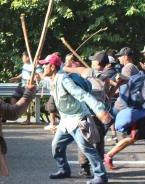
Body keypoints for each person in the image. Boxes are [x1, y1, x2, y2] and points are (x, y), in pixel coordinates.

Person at [41, 53, 112, 184]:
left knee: (86, 148)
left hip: (78, 118)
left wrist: (100, 111)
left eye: (44, 65)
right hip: (66, 120)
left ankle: (101, 176)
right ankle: (63, 169)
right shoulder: (52, 79)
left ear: (51, 67)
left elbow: (83, 95)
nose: (42, 68)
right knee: (56, 145)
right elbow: (42, 78)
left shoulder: (64, 80)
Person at [104, 68, 145, 170]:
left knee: (132, 138)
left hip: (141, 112)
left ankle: (108, 156)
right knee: (132, 138)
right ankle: (108, 156)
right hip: (140, 112)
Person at [115, 47, 145, 153]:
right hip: (131, 103)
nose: (119, 58)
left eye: (120, 56)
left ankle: (106, 152)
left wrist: (116, 81)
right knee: (139, 128)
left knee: (108, 121)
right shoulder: (133, 67)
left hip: (124, 103)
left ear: (126, 57)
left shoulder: (127, 68)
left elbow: (127, 85)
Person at [9, 51, 34, 124]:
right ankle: (14, 115)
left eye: (23, 57)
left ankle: (28, 119)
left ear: (28, 57)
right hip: (22, 84)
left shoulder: (33, 65)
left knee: (27, 102)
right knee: (14, 97)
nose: (22, 58)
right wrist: (16, 78)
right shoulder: (25, 65)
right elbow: (23, 73)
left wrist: (31, 81)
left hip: (29, 85)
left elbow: (36, 75)